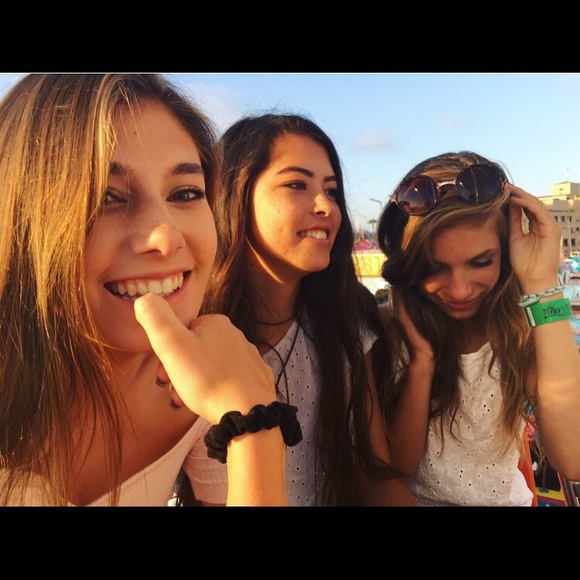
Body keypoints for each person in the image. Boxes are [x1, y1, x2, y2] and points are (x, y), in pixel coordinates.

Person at [0, 73, 297, 506]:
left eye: (186, 193)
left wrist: (252, 421)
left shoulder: (201, 385)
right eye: (106, 196)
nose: (165, 236)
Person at [203, 112, 415, 505]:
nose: (326, 207)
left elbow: (374, 475)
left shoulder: (345, 324)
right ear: (235, 196)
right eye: (297, 185)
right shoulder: (196, 340)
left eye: (332, 191)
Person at [376, 150, 580, 506]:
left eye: (481, 262)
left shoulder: (518, 329)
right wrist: (421, 363)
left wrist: (542, 281)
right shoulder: (386, 327)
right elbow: (397, 473)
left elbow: (573, 457)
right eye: (435, 268)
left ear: (505, 253)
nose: (459, 291)